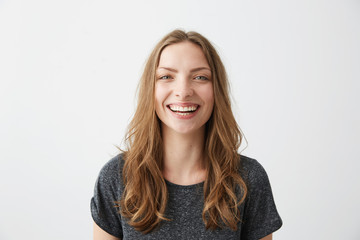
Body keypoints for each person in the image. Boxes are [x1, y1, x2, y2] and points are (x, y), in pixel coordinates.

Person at [91, 30, 282, 240]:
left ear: (216, 90)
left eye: (200, 77)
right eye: (166, 76)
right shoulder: (116, 178)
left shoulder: (248, 179)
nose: (183, 91)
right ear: (151, 90)